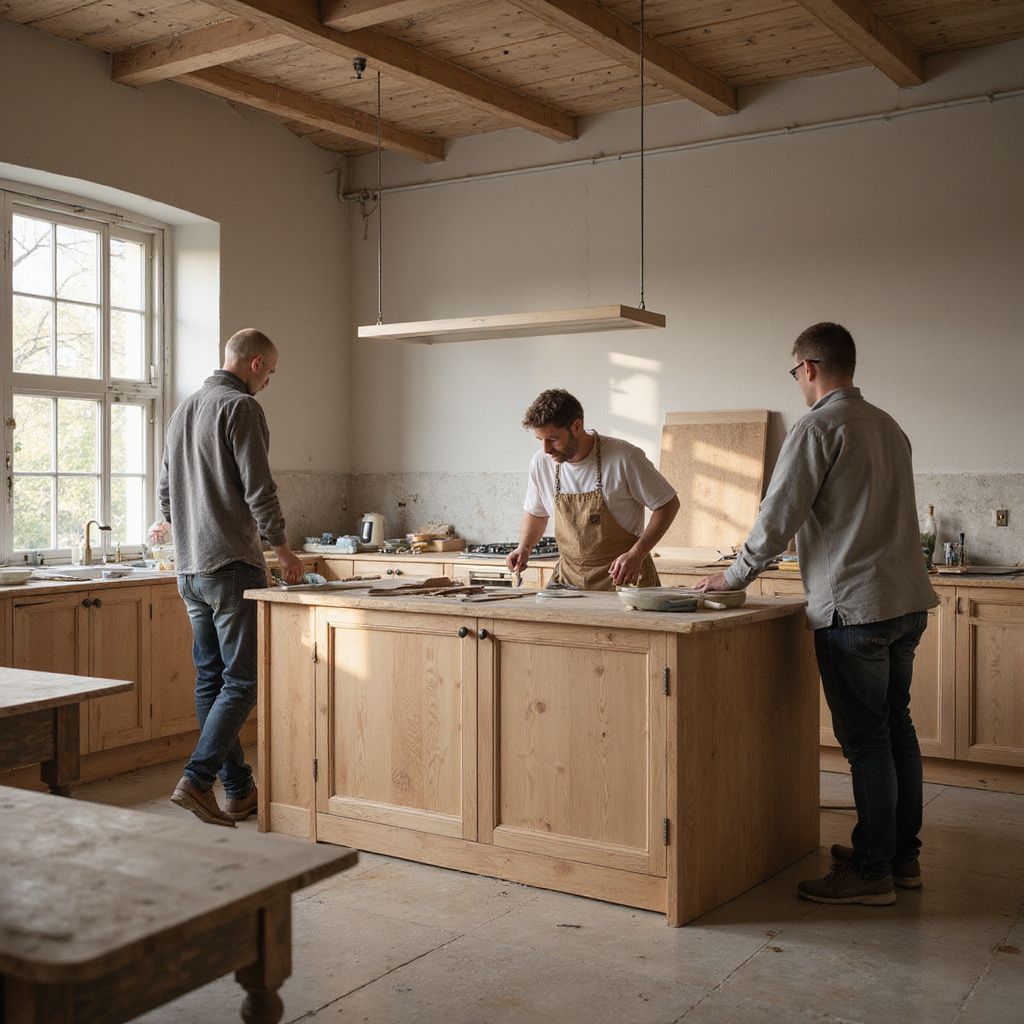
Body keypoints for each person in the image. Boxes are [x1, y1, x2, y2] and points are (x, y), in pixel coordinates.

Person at [696, 322, 937, 905]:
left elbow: (778, 517)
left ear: (808, 368)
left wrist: (731, 578)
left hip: (854, 608)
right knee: (896, 730)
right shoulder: (889, 426)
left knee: (868, 743)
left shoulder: (816, 427)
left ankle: (873, 873)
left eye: (795, 373)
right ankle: (900, 858)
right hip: (905, 602)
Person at [158, 328, 305, 827]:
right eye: (272, 373)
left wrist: (194, 534)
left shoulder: (183, 410)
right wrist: (282, 549)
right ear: (258, 363)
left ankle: (239, 791)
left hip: (190, 569)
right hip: (233, 567)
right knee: (241, 682)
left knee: (212, 680)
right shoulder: (241, 408)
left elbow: (165, 495)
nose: (268, 383)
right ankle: (198, 782)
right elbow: (259, 488)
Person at [508, 389, 680, 590]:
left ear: (577, 426)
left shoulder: (624, 457)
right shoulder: (541, 462)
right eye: (541, 440)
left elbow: (668, 504)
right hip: (568, 582)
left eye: (553, 439)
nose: (546, 449)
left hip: (624, 578)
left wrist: (637, 554)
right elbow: (536, 513)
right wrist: (524, 548)